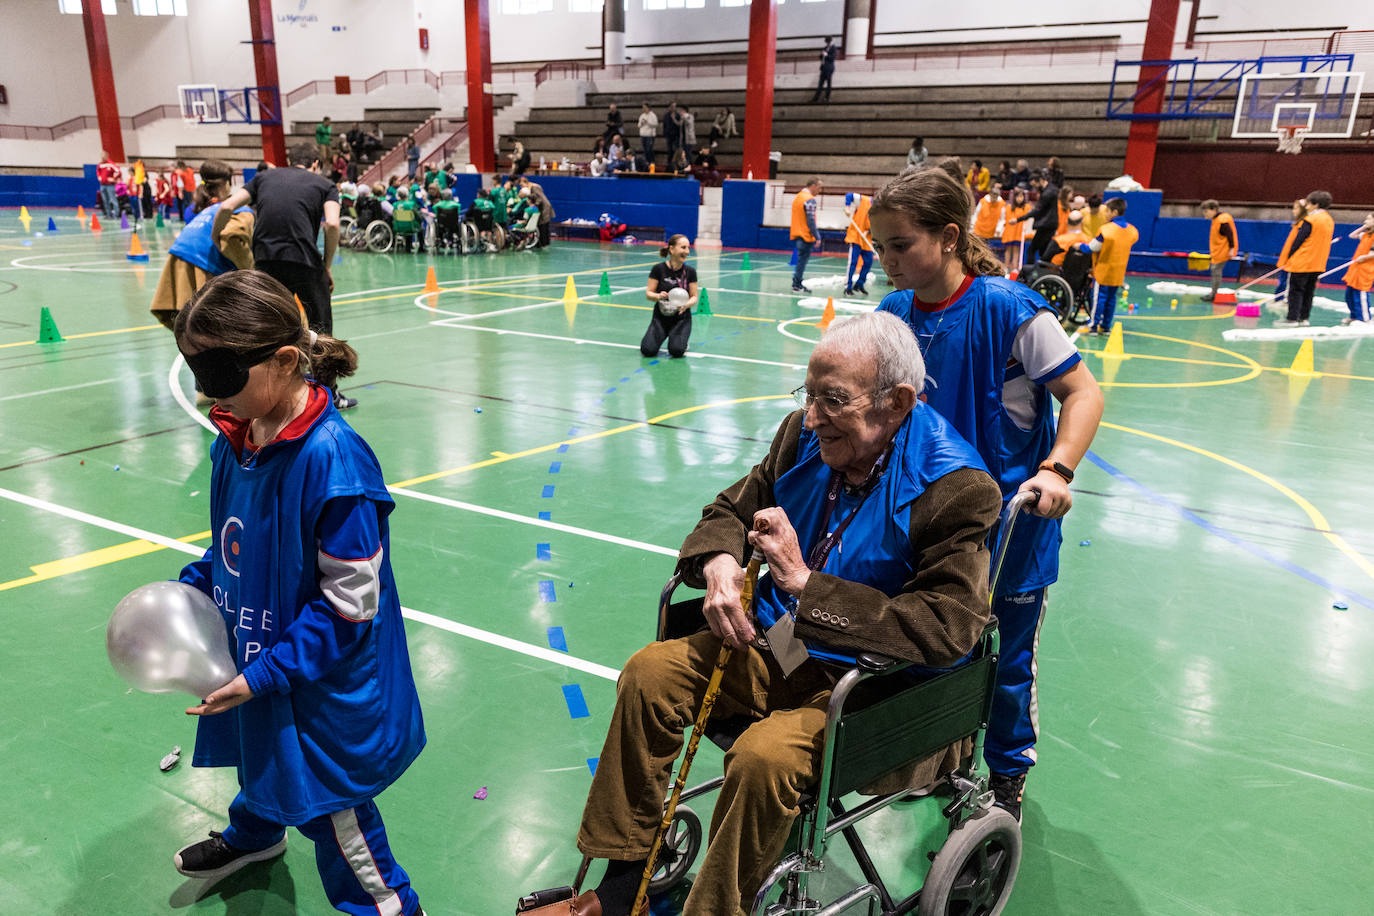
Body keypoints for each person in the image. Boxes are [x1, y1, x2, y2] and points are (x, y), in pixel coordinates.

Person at [527, 310, 1003, 916]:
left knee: (762, 759)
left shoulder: (956, 488)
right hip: (781, 647)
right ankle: (623, 891)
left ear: (897, 401)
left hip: (875, 692)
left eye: (832, 400)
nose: (811, 418)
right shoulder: (803, 439)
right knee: (651, 675)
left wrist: (806, 585)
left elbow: (949, 625)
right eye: (808, 396)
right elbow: (730, 507)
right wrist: (721, 563)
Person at [169, 270, 427, 916]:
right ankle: (255, 835)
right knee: (258, 757)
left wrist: (262, 676)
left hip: (320, 687)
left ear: (286, 362)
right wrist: (192, 592)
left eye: (222, 372)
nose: (206, 391)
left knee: (333, 815)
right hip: (262, 659)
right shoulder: (236, 437)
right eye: (195, 369)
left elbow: (348, 609)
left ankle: (389, 905)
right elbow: (232, 545)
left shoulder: (334, 464)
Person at [871, 166, 1104, 823]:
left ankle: (1007, 777)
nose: (886, 261)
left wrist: (1056, 471)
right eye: (879, 247)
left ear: (948, 238)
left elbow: (1083, 393)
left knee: (1005, 661)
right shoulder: (891, 316)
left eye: (899, 245)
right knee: (930, 647)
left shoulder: (1010, 308)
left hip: (1010, 529)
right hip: (924, 526)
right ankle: (937, 757)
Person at [212, 142, 348, 408]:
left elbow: (226, 206)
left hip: (266, 263)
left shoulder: (262, 178)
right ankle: (329, 396)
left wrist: (216, 237)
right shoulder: (324, 185)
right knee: (321, 331)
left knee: (267, 328)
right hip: (306, 262)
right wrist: (327, 265)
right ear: (316, 164)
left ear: (289, 160)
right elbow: (332, 224)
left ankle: (263, 392)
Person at [150, 159, 254, 332]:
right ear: (228, 183)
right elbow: (231, 237)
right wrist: (250, 271)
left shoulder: (199, 209)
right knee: (216, 328)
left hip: (177, 257)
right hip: (202, 263)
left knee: (192, 328)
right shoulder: (241, 210)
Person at [1276, 190, 1335, 328]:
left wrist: (1289, 255)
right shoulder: (1329, 220)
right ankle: (1304, 317)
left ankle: (1292, 318)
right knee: (1309, 291)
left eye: (1308, 203)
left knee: (1295, 290)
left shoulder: (1310, 220)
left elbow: (1298, 240)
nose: (1306, 206)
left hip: (1302, 261)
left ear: (1315, 204)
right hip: (1318, 263)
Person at [1083, 197, 1139, 335]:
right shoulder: (1132, 231)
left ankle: (1093, 326)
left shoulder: (1106, 230)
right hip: (1119, 271)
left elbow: (1093, 247)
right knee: (1111, 299)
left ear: (1114, 212)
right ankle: (1106, 326)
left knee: (1099, 298)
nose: (1105, 214)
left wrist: (1081, 246)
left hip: (1103, 270)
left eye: (1107, 211)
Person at [640, 234, 698, 359]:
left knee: (676, 351)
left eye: (688, 248)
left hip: (681, 318)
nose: (687, 251)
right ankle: (662, 333)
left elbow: (694, 297)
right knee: (647, 350)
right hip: (661, 318)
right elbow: (648, 294)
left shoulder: (690, 272)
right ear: (672, 249)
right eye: (683, 248)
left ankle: (681, 341)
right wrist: (658, 296)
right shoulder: (658, 269)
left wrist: (686, 305)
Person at [1200, 199, 1238, 301]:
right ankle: (1213, 292)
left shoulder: (1222, 220)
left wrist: (1231, 248)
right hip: (1217, 251)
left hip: (1223, 251)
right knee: (1215, 271)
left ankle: (1213, 294)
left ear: (1214, 210)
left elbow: (1230, 235)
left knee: (1216, 271)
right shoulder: (1216, 220)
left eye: (1206, 211)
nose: (1205, 214)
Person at [790, 177, 823, 294]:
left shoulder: (798, 197)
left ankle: (797, 283)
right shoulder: (810, 199)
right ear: (813, 186)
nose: (820, 190)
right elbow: (810, 220)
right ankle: (797, 284)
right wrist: (817, 236)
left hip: (797, 233)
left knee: (800, 260)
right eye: (819, 187)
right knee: (802, 261)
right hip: (805, 236)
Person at [1341, 213, 1374, 325]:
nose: (1365, 221)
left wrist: (1365, 257)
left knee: (1360, 296)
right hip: (1355, 269)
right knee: (1349, 296)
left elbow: (1373, 253)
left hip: (1365, 271)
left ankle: (1364, 319)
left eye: (1368, 219)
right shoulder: (1365, 234)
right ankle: (1354, 316)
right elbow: (1352, 235)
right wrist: (1364, 227)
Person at [1020, 172, 1060, 264]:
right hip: (1049, 224)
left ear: (1041, 181)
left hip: (1046, 225)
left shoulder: (1047, 193)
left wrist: (1020, 219)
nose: (1035, 188)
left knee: (1031, 250)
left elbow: (1037, 210)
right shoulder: (1050, 189)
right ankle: (1043, 272)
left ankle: (1029, 273)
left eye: (1035, 185)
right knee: (1043, 251)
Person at [1273, 198, 1306, 304]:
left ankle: (1283, 300)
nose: (1293, 211)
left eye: (1296, 208)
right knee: (1282, 280)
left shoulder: (1303, 225)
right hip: (1287, 259)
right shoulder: (1297, 224)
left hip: (1293, 261)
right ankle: (1278, 298)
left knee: (1287, 281)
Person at [842, 192, 874, 296]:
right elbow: (849, 195)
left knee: (868, 262)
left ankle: (859, 285)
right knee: (853, 262)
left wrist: (869, 232)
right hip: (856, 236)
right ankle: (848, 286)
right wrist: (847, 207)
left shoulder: (881, 211)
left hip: (867, 239)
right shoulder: (863, 200)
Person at [519, 176, 556, 248]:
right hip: (544, 207)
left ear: (525, 182)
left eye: (521, 185)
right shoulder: (534, 186)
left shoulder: (533, 187)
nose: (521, 187)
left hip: (544, 208)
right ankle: (544, 243)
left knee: (542, 226)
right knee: (544, 226)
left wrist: (533, 206)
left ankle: (542, 244)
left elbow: (539, 199)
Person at [1001, 188, 1031, 273]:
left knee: (1016, 250)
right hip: (1009, 232)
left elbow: (1028, 216)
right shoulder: (1009, 207)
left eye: (1021, 197)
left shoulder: (1026, 207)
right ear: (1014, 198)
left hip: (1019, 233)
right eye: (1017, 197)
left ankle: (1014, 268)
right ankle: (1005, 267)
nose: (1019, 199)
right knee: (1008, 250)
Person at [972, 181, 1006, 254]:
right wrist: (972, 225)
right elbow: (976, 214)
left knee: (988, 251)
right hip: (979, 229)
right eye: (992, 197)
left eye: (995, 197)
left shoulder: (1001, 204)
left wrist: (999, 228)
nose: (993, 199)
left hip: (991, 231)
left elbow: (1002, 219)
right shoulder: (983, 201)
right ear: (989, 194)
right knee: (978, 249)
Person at [812, 35, 838, 102]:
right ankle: (815, 99)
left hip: (829, 68)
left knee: (828, 84)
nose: (827, 43)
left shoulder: (834, 48)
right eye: (826, 42)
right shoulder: (825, 48)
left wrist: (826, 55)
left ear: (831, 41)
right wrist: (821, 54)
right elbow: (821, 57)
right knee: (820, 84)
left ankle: (827, 98)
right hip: (823, 68)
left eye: (828, 42)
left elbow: (832, 58)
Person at [97, 152, 120, 218]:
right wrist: (100, 177)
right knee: (105, 200)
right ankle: (108, 215)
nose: (102, 157)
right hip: (102, 185)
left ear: (107, 156)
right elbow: (98, 172)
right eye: (101, 156)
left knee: (113, 200)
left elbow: (118, 171)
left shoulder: (111, 164)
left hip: (110, 186)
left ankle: (116, 215)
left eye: (103, 156)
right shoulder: (100, 164)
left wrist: (113, 178)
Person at [662, 102, 681, 167]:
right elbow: (664, 125)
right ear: (669, 107)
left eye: (675, 106)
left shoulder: (678, 115)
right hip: (669, 135)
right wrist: (664, 133)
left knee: (675, 149)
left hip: (676, 135)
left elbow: (679, 126)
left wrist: (674, 118)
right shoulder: (666, 115)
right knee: (670, 150)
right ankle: (669, 163)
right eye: (672, 106)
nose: (673, 108)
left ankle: (675, 163)